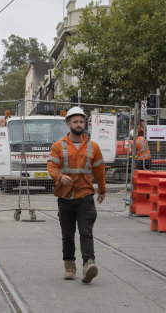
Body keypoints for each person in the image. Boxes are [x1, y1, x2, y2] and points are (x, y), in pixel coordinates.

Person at [47, 106, 106, 284]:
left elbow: (99, 170)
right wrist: (59, 176)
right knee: (67, 234)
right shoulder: (58, 146)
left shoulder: (93, 147)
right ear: (68, 124)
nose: (79, 124)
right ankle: (69, 265)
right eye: (75, 121)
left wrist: (102, 189)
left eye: (81, 121)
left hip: (85, 196)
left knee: (86, 231)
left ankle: (89, 263)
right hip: (65, 197)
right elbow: (51, 166)